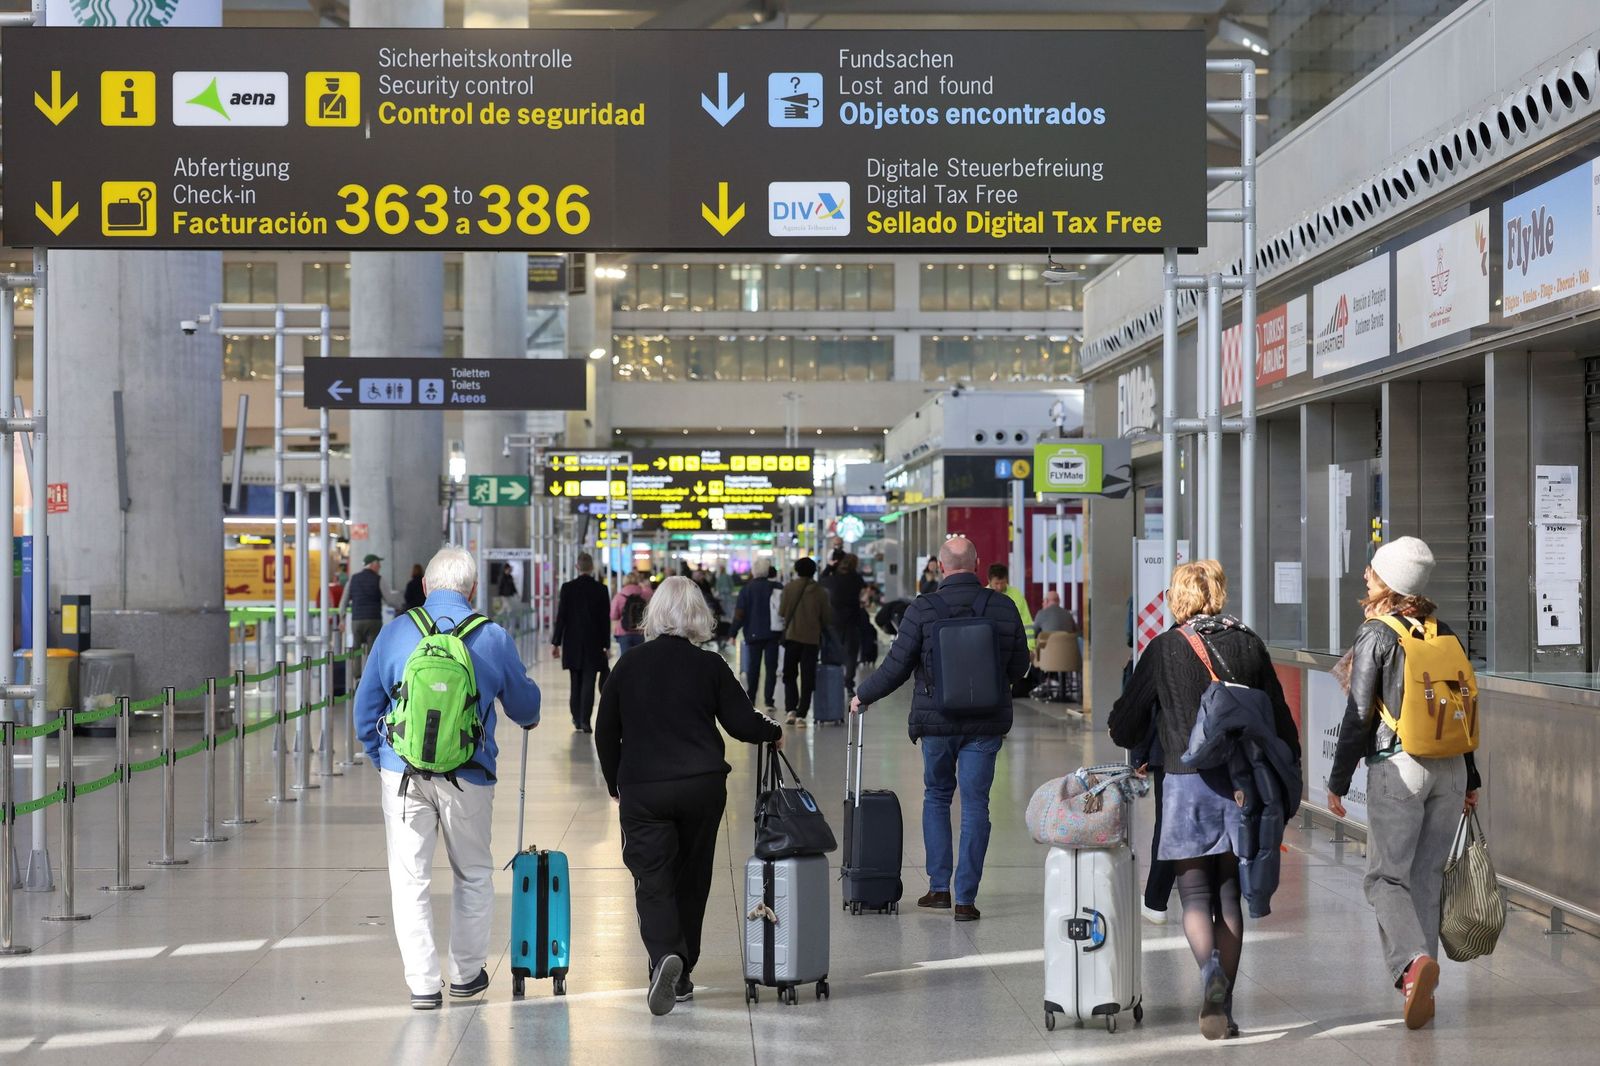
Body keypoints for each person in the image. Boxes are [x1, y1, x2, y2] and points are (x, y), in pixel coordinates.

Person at [1107, 560, 1299, 1040]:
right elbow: (1280, 722)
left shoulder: (1165, 648)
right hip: (1243, 787)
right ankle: (1225, 1007)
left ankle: (1207, 970)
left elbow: (1123, 724)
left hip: (1186, 783)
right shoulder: (1249, 643)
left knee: (1193, 892)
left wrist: (1152, 725)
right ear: (1219, 593)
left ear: (1178, 597)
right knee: (1229, 895)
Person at [354, 546, 541, 1010]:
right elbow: (526, 708)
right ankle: (466, 975)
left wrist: (384, 760)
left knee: (409, 878)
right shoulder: (492, 636)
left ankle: (422, 984)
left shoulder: (396, 632)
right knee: (474, 873)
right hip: (470, 775)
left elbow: (365, 709)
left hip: (403, 776)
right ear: (472, 590)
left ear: (424, 587)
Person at [595, 576, 784, 1016]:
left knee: (652, 878)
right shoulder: (710, 666)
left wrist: (614, 782)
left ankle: (665, 957)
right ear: (699, 615)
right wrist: (773, 732)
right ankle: (682, 975)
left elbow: (607, 730)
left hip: (645, 788)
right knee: (693, 877)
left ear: (654, 614)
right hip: (701, 786)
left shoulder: (630, 664)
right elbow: (741, 723)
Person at [1327, 537, 1481, 1032]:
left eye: (1373, 570)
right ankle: (1423, 994)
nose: (1366, 575)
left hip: (1402, 765)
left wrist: (1337, 778)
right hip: (1451, 766)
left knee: (1383, 878)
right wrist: (1470, 776)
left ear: (1391, 581)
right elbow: (1458, 707)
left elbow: (1357, 715)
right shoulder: (1446, 632)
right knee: (1425, 879)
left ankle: (1413, 965)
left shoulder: (1377, 634)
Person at [853, 537, 1029, 921]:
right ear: (978, 563)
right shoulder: (1002, 606)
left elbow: (897, 665)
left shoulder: (923, 608)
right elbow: (1021, 665)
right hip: (985, 724)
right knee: (976, 805)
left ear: (939, 567)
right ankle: (966, 899)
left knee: (936, 797)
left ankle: (938, 889)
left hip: (937, 723)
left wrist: (863, 695)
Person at [552, 552, 611, 733]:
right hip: (594, 643)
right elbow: (604, 620)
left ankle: (576, 718)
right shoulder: (601, 589)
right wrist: (606, 645)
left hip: (572, 643)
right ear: (592, 567)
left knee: (575, 681)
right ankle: (585, 720)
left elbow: (561, 617)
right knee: (589, 682)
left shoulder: (567, 588)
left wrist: (556, 643)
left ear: (577, 567)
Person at [777, 556, 833, 726]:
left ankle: (790, 710)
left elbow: (782, 612)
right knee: (808, 676)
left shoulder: (789, 588)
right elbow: (827, 618)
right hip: (811, 639)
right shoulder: (821, 592)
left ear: (797, 570)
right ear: (814, 571)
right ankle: (802, 713)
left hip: (792, 637)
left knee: (789, 674)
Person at [731, 565, 782, 712]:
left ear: (754, 572)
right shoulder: (777, 587)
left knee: (753, 668)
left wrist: (733, 632)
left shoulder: (747, 589)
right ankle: (769, 701)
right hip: (773, 634)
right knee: (771, 668)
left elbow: (740, 613)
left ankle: (751, 698)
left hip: (753, 634)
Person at [823, 553, 867, 695]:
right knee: (852, 653)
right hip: (852, 619)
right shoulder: (857, 579)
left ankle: (833, 681)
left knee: (834, 650)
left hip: (834, 619)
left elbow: (820, 580)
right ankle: (849, 683)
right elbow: (864, 591)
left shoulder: (832, 579)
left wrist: (829, 567)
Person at [347, 554, 399, 656]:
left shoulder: (353, 579)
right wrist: (400, 606)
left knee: (356, 649)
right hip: (373, 620)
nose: (380, 566)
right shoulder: (378, 579)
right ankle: (370, 671)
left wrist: (341, 617)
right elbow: (389, 599)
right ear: (372, 565)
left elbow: (344, 599)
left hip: (356, 620)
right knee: (372, 651)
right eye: (378, 563)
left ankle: (355, 671)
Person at [987, 563, 1036, 652]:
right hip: (990, 647)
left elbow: (1026, 622)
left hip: (1013, 647)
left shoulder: (1016, 594)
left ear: (1007, 579)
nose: (999, 587)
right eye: (996, 583)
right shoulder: (984, 597)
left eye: (1003, 583)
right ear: (989, 581)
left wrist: (1030, 647)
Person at [610, 570, 654, 657]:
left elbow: (613, 615)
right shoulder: (643, 594)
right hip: (639, 631)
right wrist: (642, 585)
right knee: (638, 658)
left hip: (623, 631)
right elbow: (651, 592)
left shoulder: (619, 596)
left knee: (625, 658)